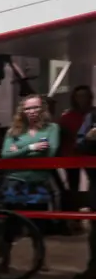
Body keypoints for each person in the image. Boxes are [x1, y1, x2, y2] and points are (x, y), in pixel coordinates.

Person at [1, 95, 60, 232]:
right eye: (27, 108)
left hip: (38, 182)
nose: (31, 111)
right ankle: (5, 252)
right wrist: (32, 148)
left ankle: (37, 253)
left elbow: (49, 154)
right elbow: (5, 155)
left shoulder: (52, 128)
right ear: (22, 110)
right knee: (11, 227)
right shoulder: (13, 131)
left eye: (35, 107)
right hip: (14, 181)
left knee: (38, 228)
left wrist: (18, 150)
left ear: (43, 108)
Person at [58, 86, 93, 218]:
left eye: (84, 95)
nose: (82, 99)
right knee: (72, 185)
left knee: (92, 183)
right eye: (79, 96)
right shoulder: (67, 117)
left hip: (90, 155)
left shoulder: (93, 114)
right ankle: (73, 216)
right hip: (71, 155)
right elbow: (62, 137)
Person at [74, 102, 96, 279]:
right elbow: (79, 146)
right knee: (95, 229)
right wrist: (89, 137)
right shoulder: (93, 116)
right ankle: (94, 267)